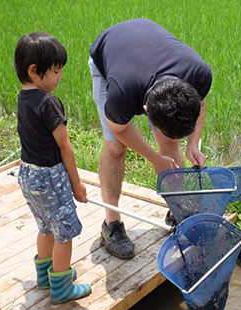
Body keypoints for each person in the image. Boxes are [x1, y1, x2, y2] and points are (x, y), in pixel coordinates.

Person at [89, 19, 212, 259]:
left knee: (170, 144)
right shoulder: (122, 92)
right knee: (115, 148)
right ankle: (111, 223)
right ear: (146, 109)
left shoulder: (198, 73)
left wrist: (193, 144)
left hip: (149, 48)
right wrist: (156, 159)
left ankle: (176, 208)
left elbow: (201, 103)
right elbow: (119, 128)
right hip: (109, 52)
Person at [14, 32, 92, 303]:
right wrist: (76, 184)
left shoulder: (23, 99)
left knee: (45, 227)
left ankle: (44, 276)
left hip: (28, 175)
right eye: (56, 71)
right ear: (34, 71)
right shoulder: (48, 103)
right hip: (50, 178)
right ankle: (61, 287)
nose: (60, 77)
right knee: (64, 232)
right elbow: (65, 146)